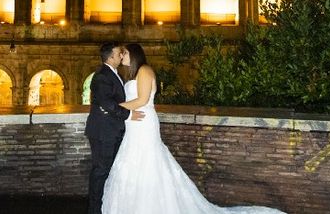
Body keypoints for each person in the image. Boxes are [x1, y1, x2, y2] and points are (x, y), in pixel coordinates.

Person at [102, 43, 285, 214]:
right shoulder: (132, 74)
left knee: (147, 160)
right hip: (133, 124)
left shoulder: (144, 70)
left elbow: (142, 100)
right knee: (132, 159)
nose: (121, 56)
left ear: (133, 55)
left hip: (143, 123)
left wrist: (114, 108)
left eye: (124, 53)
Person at [85, 42, 145, 214]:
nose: (121, 55)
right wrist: (128, 115)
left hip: (111, 130)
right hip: (103, 131)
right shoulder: (102, 76)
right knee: (100, 171)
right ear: (110, 56)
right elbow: (106, 102)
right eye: (119, 53)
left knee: (107, 170)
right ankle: (94, 210)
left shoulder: (114, 74)